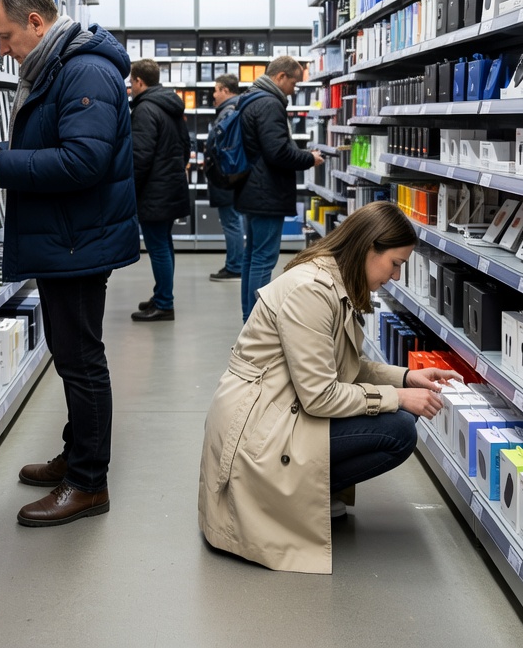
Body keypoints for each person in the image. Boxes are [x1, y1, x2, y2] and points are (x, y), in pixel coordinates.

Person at [0, 0, 139, 527]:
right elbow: (61, 146)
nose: (2, 49)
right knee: (69, 353)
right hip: (68, 234)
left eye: (7, 35)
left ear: (36, 23)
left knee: (81, 359)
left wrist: (3, 164)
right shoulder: (59, 65)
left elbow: (84, 161)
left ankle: (88, 483)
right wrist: (8, 155)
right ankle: (76, 456)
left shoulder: (84, 70)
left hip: (78, 239)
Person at [197, 201, 461, 573]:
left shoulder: (334, 282)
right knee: (398, 429)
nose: (397, 277)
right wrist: (398, 397)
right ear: (370, 247)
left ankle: (308, 491)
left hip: (276, 413)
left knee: (398, 417)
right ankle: (291, 498)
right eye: (396, 263)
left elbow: (342, 365)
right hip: (258, 433)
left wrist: (405, 377)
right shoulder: (311, 292)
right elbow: (321, 395)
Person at [234, 55, 323, 321]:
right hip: (266, 192)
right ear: (281, 76)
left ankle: (248, 316)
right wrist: (309, 158)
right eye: (294, 83)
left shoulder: (250, 98)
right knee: (263, 259)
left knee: (252, 256)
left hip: (251, 188)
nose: (294, 91)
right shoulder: (270, 104)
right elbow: (277, 152)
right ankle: (255, 321)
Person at [128, 58, 191, 322]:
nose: (130, 88)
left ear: (140, 81)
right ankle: (162, 294)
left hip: (154, 192)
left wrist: (131, 190)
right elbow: (186, 148)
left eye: (131, 83)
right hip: (171, 186)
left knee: (158, 247)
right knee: (165, 243)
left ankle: (165, 303)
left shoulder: (145, 110)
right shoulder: (171, 107)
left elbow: (139, 156)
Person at [206, 74, 243, 282]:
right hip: (228, 175)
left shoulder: (229, 111)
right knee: (233, 221)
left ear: (226, 91)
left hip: (225, 175)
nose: (214, 95)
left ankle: (235, 266)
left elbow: (222, 144)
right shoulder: (234, 109)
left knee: (231, 222)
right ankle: (234, 263)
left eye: (216, 90)